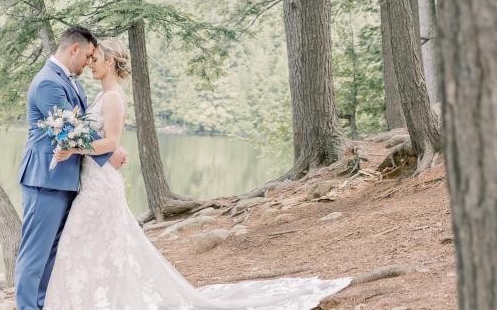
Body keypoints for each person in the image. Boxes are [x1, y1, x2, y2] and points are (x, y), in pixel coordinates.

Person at [43, 38, 350, 309]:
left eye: (95, 59)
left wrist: (75, 147)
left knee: (81, 244)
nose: (90, 63)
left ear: (109, 61)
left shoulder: (113, 98)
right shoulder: (101, 96)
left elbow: (111, 142)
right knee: (92, 246)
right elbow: (99, 142)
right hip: (93, 182)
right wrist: (74, 145)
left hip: (101, 188)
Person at [14, 27, 128, 310]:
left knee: (53, 255)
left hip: (67, 181)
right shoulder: (48, 83)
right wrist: (110, 150)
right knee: (34, 257)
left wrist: (109, 147)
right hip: (46, 179)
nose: (89, 62)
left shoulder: (72, 83)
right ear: (74, 49)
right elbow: (67, 131)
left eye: (94, 57)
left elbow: (82, 129)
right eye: (88, 55)